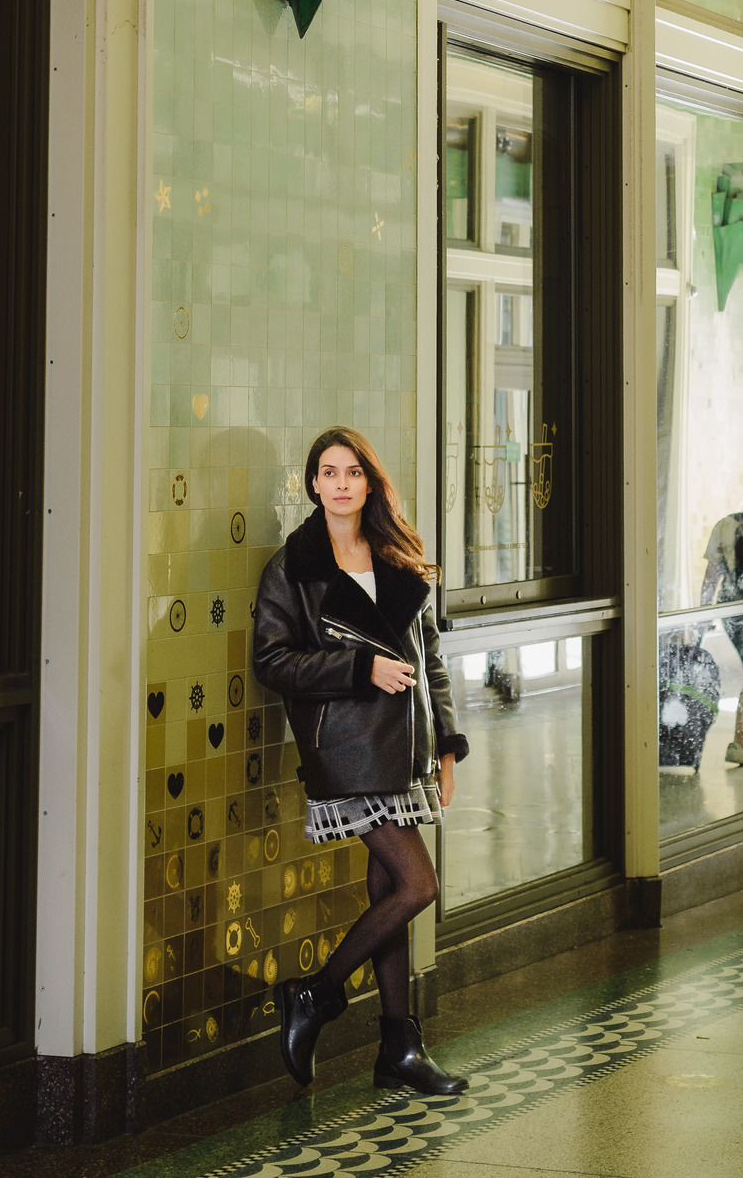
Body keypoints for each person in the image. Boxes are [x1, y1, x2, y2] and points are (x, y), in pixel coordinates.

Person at [253, 426, 470, 1094]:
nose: (341, 483)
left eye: (353, 472)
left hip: (403, 750)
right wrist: (358, 669)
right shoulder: (295, 567)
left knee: (391, 897)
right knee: (418, 886)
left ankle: (398, 1051)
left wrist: (446, 745)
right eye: (328, 472)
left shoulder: (398, 556)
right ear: (312, 484)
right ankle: (313, 995)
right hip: (346, 751)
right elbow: (271, 661)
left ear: (369, 482)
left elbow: (429, 656)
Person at [700, 495, 743, 767]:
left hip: (731, 611)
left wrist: (703, 614)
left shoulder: (726, 526)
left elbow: (711, 577)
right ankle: (738, 742)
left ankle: (741, 741)